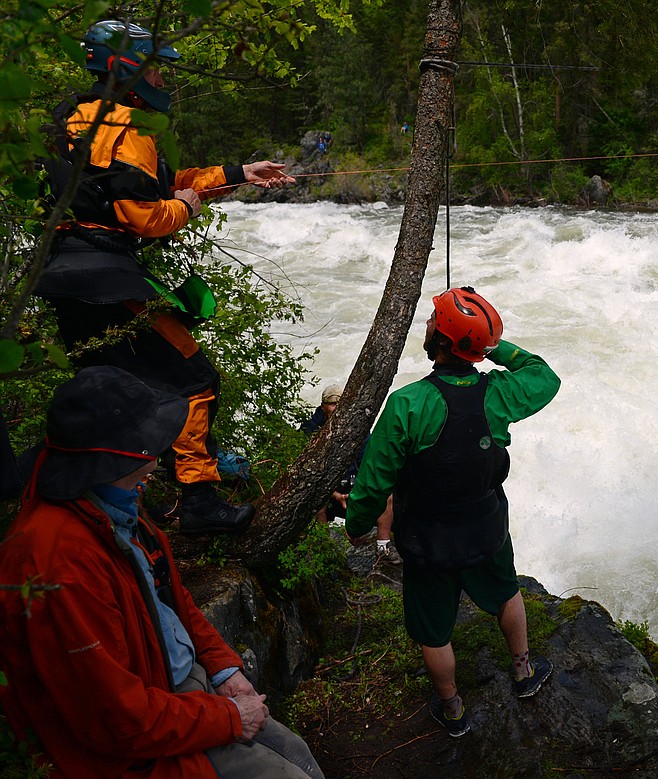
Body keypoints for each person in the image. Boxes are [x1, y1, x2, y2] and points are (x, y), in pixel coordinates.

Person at [0, 366, 324, 778]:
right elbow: (116, 719)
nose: (155, 460)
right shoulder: (57, 560)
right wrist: (228, 717)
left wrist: (224, 669)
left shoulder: (115, 510)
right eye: (147, 447)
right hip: (140, 734)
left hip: (176, 686)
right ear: (114, 460)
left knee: (295, 752)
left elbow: (172, 601)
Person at [37, 20, 295, 536]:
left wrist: (238, 174)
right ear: (127, 66)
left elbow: (151, 184)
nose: (165, 78)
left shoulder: (78, 115)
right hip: (104, 275)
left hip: (67, 272)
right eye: (156, 65)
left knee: (113, 390)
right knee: (194, 379)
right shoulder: (128, 125)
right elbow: (144, 212)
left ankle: (113, 498)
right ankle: (198, 500)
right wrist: (182, 209)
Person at [345, 286, 561, 737]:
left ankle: (453, 708)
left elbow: (374, 480)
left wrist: (359, 525)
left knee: (433, 629)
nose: (427, 324)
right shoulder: (499, 393)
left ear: (440, 341)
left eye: (432, 321)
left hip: (427, 537)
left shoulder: (407, 404)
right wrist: (493, 345)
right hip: (486, 527)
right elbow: (544, 376)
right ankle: (523, 674)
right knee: (505, 592)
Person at [300, 383, 399, 565]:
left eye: (340, 404)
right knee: (315, 499)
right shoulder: (310, 430)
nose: (336, 409)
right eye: (332, 404)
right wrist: (335, 494)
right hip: (328, 492)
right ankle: (324, 549)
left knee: (387, 495)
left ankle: (383, 547)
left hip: (352, 489)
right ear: (322, 406)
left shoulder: (359, 430)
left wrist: (356, 495)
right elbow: (307, 475)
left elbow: (368, 467)